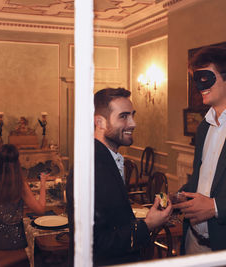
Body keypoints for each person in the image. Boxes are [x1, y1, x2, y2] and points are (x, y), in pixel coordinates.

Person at [67, 88, 172, 266]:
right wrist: (147, 225)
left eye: (132, 115)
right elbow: (94, 243)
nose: (133, 123)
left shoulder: (106, 157)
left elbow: (112, 220)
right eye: (123, 116)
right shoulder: (90, 167)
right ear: (99, 122)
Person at [174, 46, 226, 255]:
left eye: (206, 78)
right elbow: (204, 179)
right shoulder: (204, 126)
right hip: (193, 241)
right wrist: (180, 195)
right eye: (196, 79)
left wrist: (216, 207)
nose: (200, 86)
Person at [0, 144, 49, 264]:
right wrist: (43, 184)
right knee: (40, 249)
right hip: (14, 241)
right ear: (17, 163)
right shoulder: (20, 184)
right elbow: (40, 210)